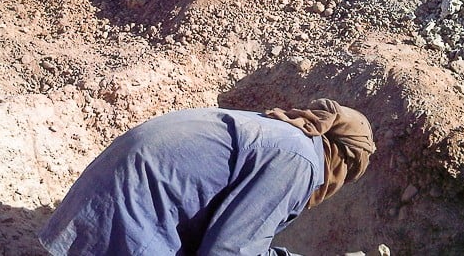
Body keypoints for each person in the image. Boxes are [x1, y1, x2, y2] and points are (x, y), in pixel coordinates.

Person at [39, 98, 376, 256]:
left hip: (104, 201)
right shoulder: (298, 160)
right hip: (133, 213)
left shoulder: (281, 134)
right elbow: (228, 250)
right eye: (348, 175)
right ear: (341, 159)